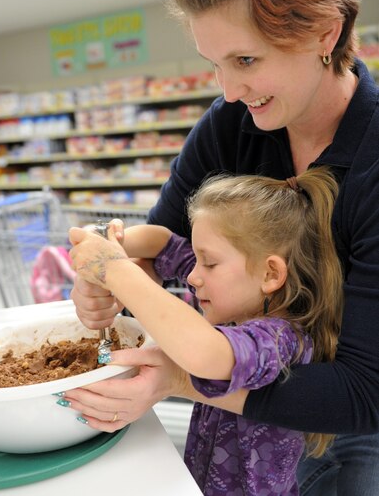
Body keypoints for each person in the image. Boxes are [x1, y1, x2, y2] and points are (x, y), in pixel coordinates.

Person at [67, 0, 379, 494]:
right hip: (235, 419)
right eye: (215, 65)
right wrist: (107, 276)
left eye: (246, 61)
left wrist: (183, 378)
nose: (230, 92)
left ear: (324, 33)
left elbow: (363, 393)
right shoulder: (230, 124)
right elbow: (160, 255)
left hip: (346, 420)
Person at [69, 166, 343, 496]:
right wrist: (107, 240)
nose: (194, 276)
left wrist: (114, 268)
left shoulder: (283, 339)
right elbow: (163, 243)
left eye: (208, 263)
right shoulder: (235, 298)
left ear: (271, 274)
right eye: (197, 261)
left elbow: (203, 354)